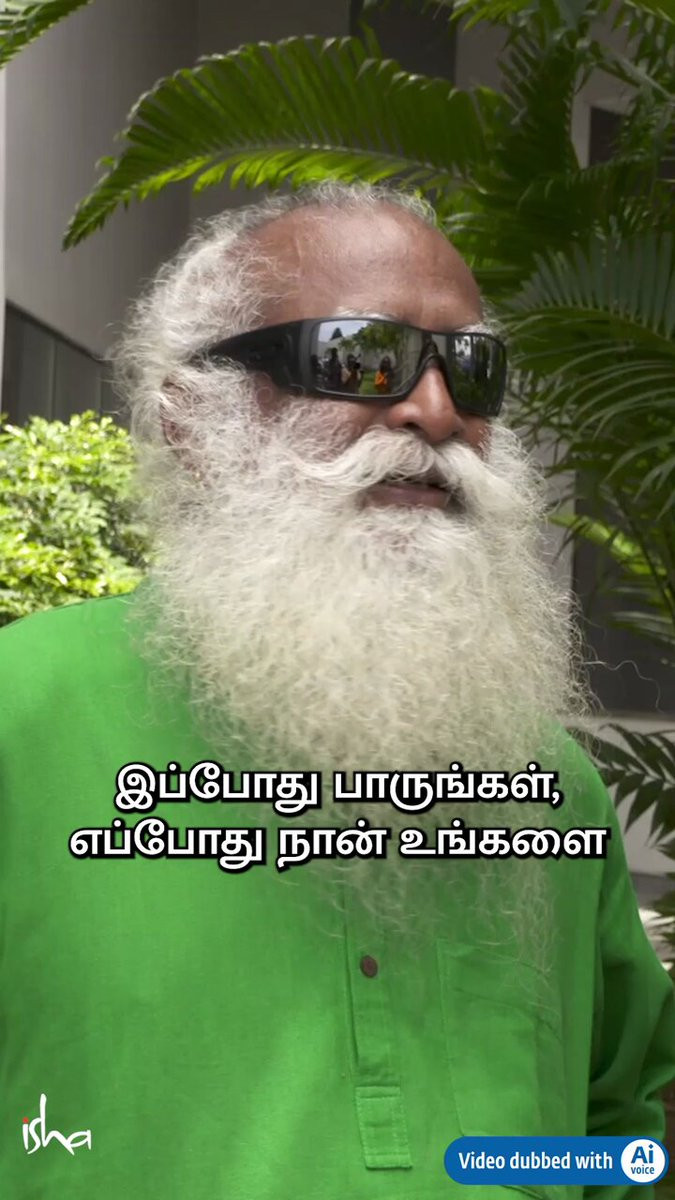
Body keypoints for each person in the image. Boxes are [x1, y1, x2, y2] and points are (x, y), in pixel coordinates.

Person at [0, 181, 673, 1200]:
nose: (435, 410)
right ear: (194, 420)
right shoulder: (21, 717)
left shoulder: (551, 789)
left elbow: (615, 1125)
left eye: (471, 368)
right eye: (360, 356)